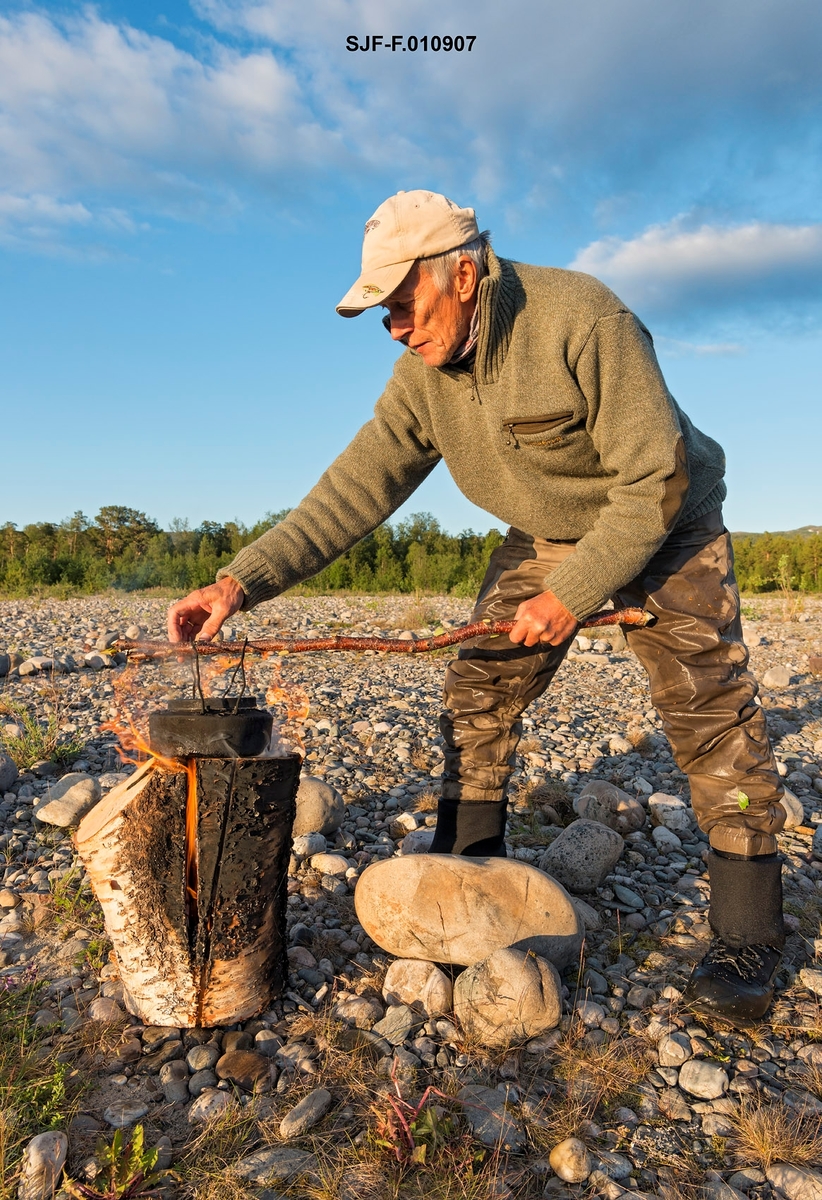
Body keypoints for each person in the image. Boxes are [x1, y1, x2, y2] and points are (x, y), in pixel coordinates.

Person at [167, 189, 787, 1022]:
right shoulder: (420, 379)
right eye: (381, 315)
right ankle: (470, 867)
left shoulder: (582, 318)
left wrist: (571, 595)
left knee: (708, 710)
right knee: (480, 686)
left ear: (463, 271)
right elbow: (354, 490)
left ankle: (750, 933)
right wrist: (239, 582)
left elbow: (653, 480)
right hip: (547, 529)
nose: (396, 327)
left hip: (666, 518)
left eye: (402, 304)